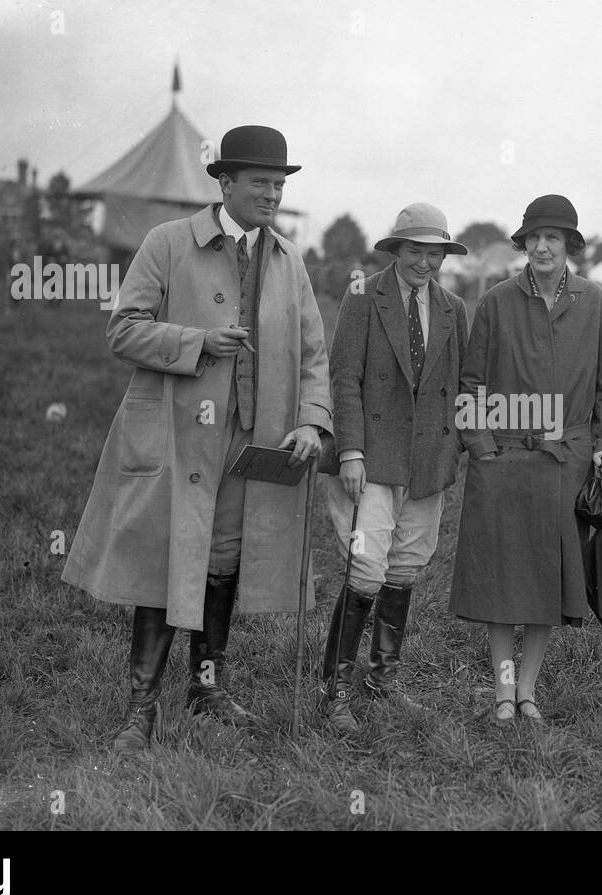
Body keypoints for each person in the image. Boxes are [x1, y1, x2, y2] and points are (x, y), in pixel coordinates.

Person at [62, 125, 332, 752]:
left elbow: (314, 354)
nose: (272, 193)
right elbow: (123, 331)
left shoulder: (290, 262)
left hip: (252, 441)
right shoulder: (167, 243)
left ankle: (206, 687)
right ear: (225, 182)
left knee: (224, 564)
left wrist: (312, 420)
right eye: (261, 182)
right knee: (166, 562)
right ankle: (140, 709)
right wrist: (196, 342)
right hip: (179, 437)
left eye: (280, 183)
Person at [449, 194, 602, 723]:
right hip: (502, 462)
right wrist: (482, 450)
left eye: (555, 238)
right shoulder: (498, 300)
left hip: (564, 464)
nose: (543, 247)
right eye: (534, 238)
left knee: (548, 581)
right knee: (502, 581)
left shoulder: (596, 303)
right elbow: (471, 384)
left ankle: (528, 691)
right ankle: (502, 692)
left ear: (570, 245)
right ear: (523, 244)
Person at [319, 203, 469, 731]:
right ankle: (333, 689)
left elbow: (461, 386)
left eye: (435, 254)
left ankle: (382, 681)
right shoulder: (364, 296)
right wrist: (352, 452)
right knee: (366, 568)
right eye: (415, 252)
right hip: (372, 459)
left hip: (427, 461)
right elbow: (343, 377)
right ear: (396, 250)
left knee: (405, 568)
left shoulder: (453, 308)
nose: (425, 264)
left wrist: (456, 450)